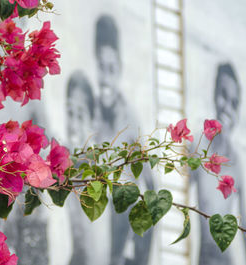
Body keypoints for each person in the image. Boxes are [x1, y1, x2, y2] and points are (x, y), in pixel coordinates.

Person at [94, 15, 153, 265]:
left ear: (120, 69)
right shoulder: (91, 113)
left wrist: (140, 254)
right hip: (97, 230)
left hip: (123, 234)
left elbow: (151, 186)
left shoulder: (130, 118)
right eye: (101, 67)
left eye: (112, 69)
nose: (105, 77)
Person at [196, 63, 245, 265]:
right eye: (224, 95)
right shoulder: (198, 149)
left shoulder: (237, 165)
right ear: (214, 95)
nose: (228, 107)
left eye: (235, 103)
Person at [66, 70, 96, 265]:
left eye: (80, 115)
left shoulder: (96, 172)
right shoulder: (62, 166)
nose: (73, 124)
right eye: (70, 113)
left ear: (93, 122)